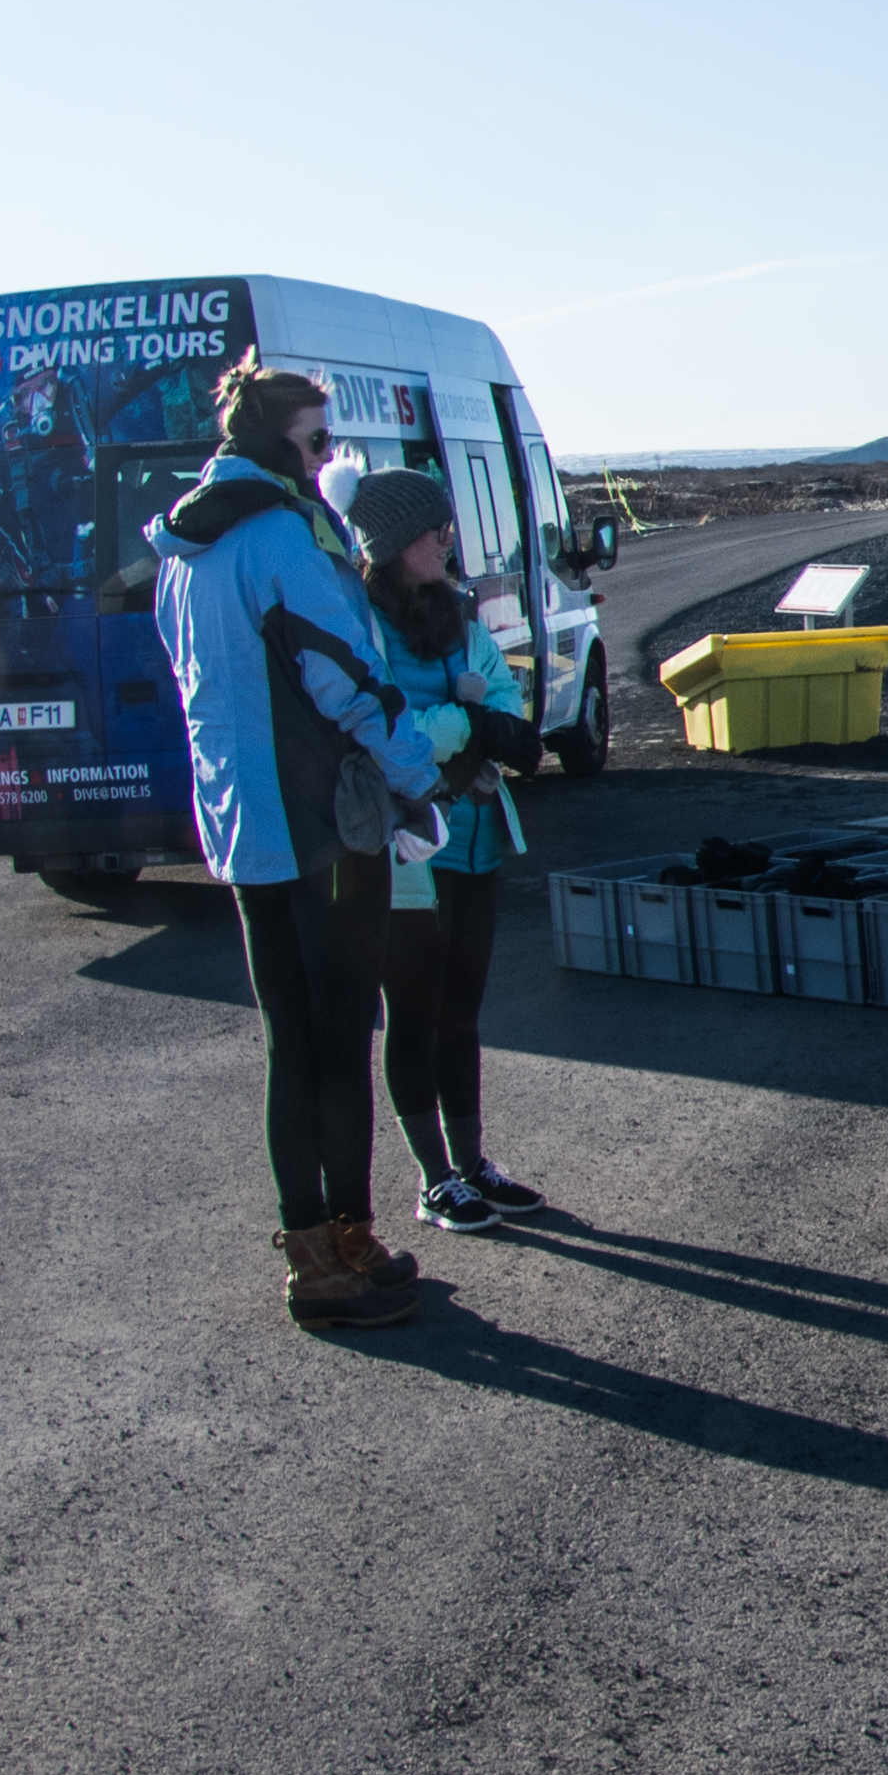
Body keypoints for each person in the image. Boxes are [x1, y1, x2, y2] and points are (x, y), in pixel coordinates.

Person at [143, 354, 458, 1330]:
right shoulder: (280, 536)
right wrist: (419, 775)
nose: (329, 462)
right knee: (338, 1044)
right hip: (322, 827)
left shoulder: (183, 548)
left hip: (240, 827)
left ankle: (317, 1248)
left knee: (293, 1044)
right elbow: (346, 678)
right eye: (320, 442)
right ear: (284, 445)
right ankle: (341, 1253)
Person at [340, 467, 552, 1235]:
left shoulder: (458, 612)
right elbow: (383, 728)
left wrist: (478, 718)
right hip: (407, 850)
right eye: (434, 530)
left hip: (475, 835)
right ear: (395, 543)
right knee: (415, 1011)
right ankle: (434, 1178)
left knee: (462, 1008)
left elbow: (500, 693)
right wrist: (467, 727)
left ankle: (473, 1163)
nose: (447, 539)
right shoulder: (361, 621)